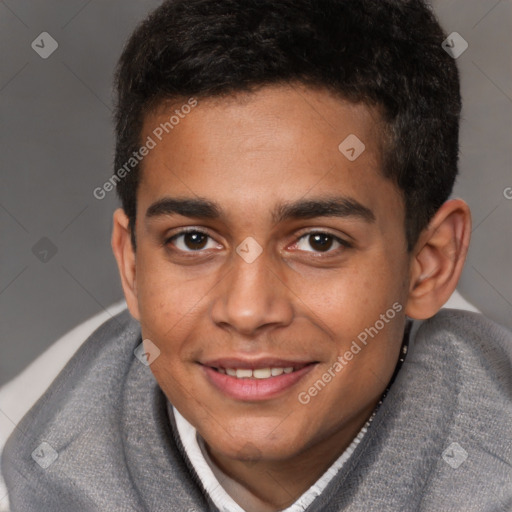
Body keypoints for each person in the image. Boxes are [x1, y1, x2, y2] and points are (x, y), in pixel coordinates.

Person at [3, 0, 511, 510]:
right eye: (194, 240)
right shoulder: (23, 459)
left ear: (429, 264)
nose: (247, 311)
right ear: (132, 265)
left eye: (318, 242)